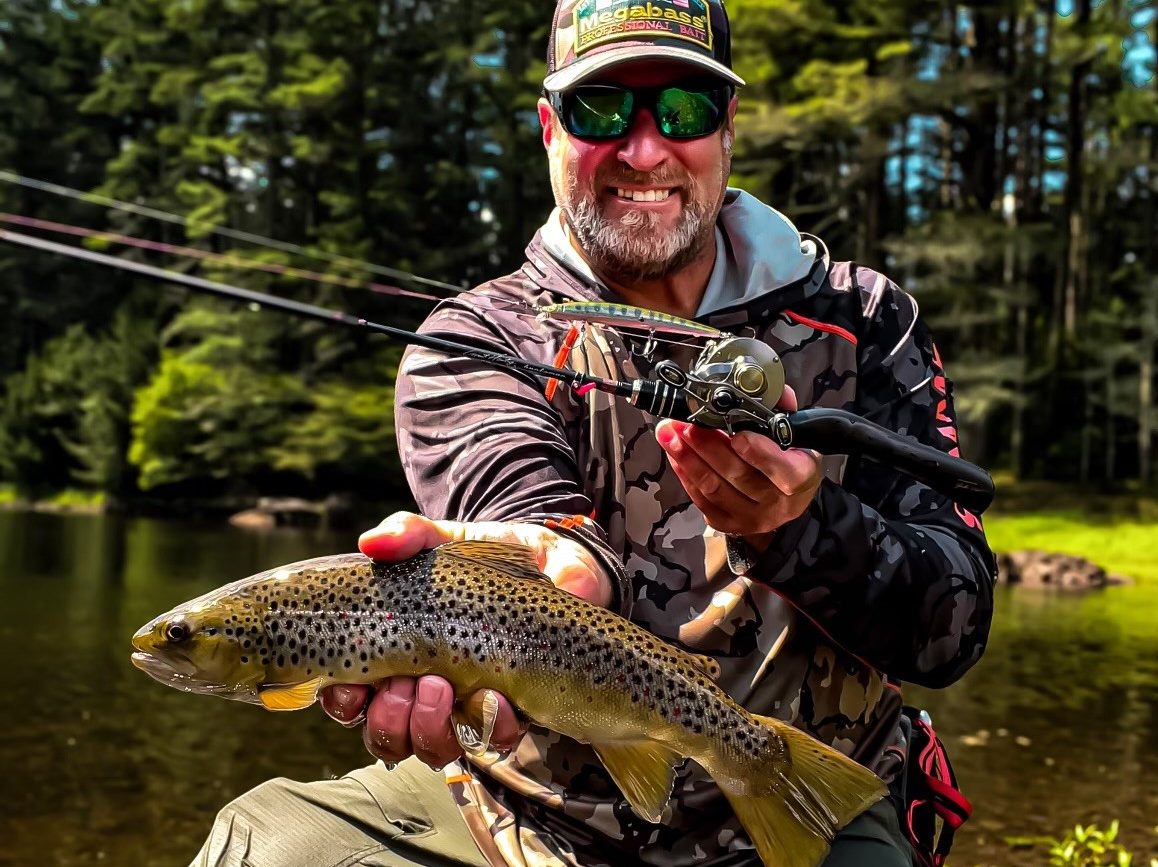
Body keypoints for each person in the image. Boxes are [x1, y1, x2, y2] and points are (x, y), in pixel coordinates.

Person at [192, 0, 997, 865]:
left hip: (809, 797)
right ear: (549, 128)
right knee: (272, 844)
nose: (644, 150)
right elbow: (530, 519)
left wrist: (803, 530)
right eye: (600, 109)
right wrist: (546, 571)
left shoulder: (863, 318)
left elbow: (953, 628)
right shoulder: (472, 339)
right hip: (524, 809)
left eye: (683, 110)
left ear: (728, 128)